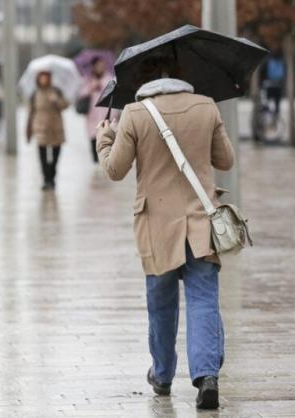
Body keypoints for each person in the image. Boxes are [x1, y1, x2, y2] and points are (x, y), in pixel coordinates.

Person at [95, 56, 235, 410]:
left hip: (156, 226)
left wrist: (104, 139)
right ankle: (207, 376)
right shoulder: (206, 107)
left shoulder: (134, 113)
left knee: (161, 305)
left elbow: (115, 170)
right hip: (201, 224)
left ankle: (162, 374)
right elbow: (225, 161)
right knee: (204, 299)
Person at [26, 71, 69, 190]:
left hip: (56, 127)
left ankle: (52, 177)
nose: (44, 79)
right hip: (40, 128)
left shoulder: (56, 91)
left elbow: (65, 105)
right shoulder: (35, 93)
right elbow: (30, 111)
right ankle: (46, 179)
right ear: (38, 79)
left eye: (46, 77)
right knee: (43, 156)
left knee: (55, 155)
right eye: (41, 77)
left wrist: (56, 101)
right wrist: (29, 129)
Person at [79, 57, 115, 163]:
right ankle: (95, 162)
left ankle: (106, 160)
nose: (101, 67)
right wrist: (91, 87)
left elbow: (113, 93)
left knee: (106, 137)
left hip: (106, 113)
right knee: (93, 137)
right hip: (92, 114)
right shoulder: (88, 79)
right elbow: (82, 94)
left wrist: (102, 85)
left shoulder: (110, 78)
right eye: (98, 65)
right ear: (93, 67)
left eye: (102, 65)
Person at [263, 49, 285, 115]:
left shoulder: (270, 62)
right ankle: (274, 114)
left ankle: (273, 114)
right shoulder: (278, 62)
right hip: (275, 85)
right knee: (274, 105)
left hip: (271, 85)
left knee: (268, 103)